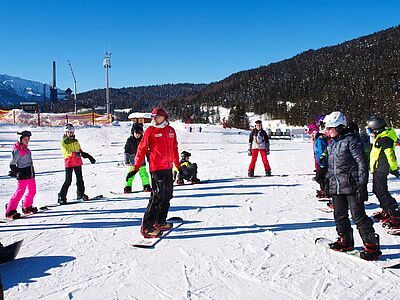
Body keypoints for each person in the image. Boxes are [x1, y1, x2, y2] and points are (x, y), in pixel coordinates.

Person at [324, 111, 381, 261]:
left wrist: (362, 185)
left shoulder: (352, 141)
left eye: (330, 128)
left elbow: (362, 164)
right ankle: (346, 240)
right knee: (339, 215)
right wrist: (326, 181)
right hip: (336, 186)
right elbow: (332, 166)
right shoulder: (332, 144)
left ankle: (371, 245)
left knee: (358, 216)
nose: (328, 131)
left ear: (340, 127)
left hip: (351, 185)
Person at [127, 108, 181, 238]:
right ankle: (147, 227)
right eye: (152, 117)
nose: (153, 119)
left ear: (163, 117)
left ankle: (160, 222)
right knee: (157, 197)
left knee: (167, 196)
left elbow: (174, 148)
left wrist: (178, 165)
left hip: (168, 168)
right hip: (156, 168)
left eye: (156, 117)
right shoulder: (150, 131)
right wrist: (135, 167)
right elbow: (141, 149)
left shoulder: (170, 131)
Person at [367, 116, 400, 230]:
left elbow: (390, 154)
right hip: (377, 168)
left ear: (376, 128)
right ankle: (387, 210)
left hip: (381, 168)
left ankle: (395, 213)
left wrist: (394, 168)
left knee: (381, 191)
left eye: (370, 130)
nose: (370, 132)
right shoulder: (381, 136)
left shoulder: (384, 138)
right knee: (378, 190)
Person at [58, 124, 96, 205]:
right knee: (68, 181)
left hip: (77, 162)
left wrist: (88, 156)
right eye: (68, 132)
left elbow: (80, 150)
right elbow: (66, 152)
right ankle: (61, 196)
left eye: (71, 132)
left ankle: (80, 195)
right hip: (69, 163)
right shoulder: (64, 142)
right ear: (65, 133)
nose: (70, 134)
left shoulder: (76, 141)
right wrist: (75, 154)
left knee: (80, 179)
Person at [6, 131, 38, 219]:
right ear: (20, 139)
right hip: (22, 174)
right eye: (25, 139)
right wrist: (17, 172)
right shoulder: (17, 150)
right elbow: (12, 164)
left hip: (30, 173)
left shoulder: (26, 149)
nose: (27, 141)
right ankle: (10, 210)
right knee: (20, 192)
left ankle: (27, 206)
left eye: (28, 139)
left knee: (32, 190)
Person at [124, 123, 151, 193]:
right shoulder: (129, 140)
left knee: (144, 174)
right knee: (130, 175)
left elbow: (147, 151)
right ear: (133, 132)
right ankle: (127, 187)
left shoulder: (143, 140)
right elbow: (126, 150)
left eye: (139, 133)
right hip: (132, 162)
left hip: (141, 161)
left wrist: (149, 158)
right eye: (136, 133)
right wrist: (126, 160)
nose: (137, 135)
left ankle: (146, 185)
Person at [314, 131, 329, 198]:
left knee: (319, 177)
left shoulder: (319, 140)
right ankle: (324, 190)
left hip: (323, 162)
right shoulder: (322, 140)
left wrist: (322, 159)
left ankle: (325, 191)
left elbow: (321, 150)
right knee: (322, 177)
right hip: (322, 162)